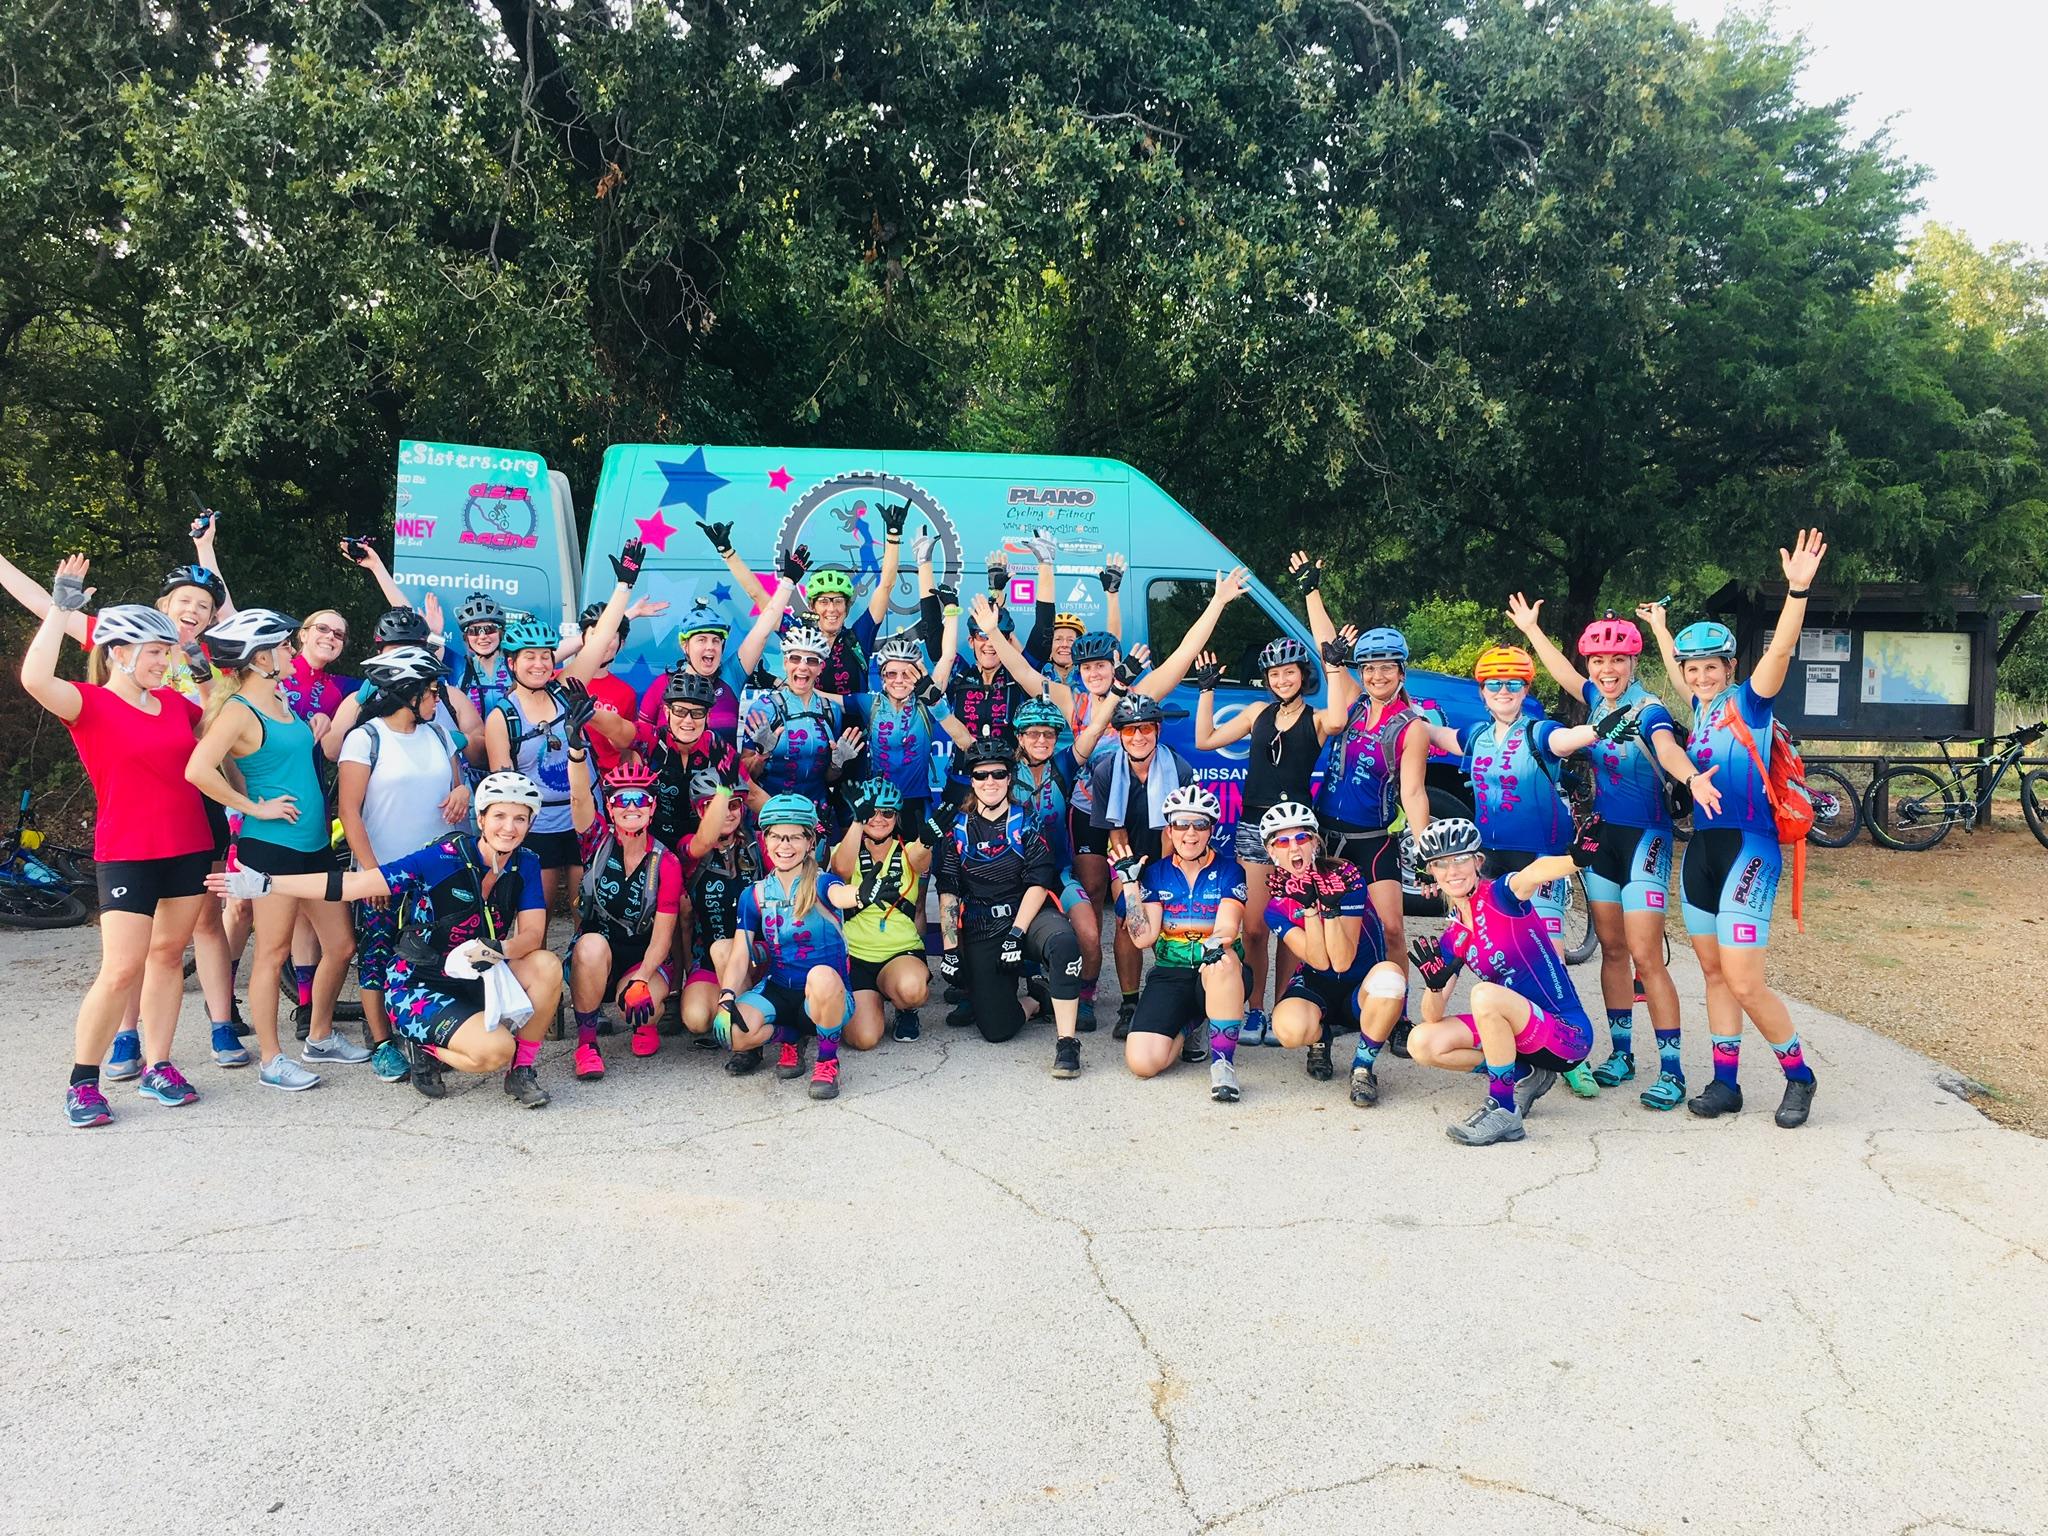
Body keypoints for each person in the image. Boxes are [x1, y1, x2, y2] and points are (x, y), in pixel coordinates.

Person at [216, 773, 564, 1108]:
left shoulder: (526, 863)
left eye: (520, 818)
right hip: (421, 980)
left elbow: (532, 935)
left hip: (479, 971)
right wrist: (270, 884)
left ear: (531, 823)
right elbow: (353, 886)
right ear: (481, 817)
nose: (509, 827)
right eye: (500, 816)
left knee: (546, 966)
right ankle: (425, 1049)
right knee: (494, 1051)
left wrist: (498, 949)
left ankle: (521, 1071)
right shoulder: (442, 858)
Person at [1639, 530, 1828, 1129]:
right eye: (1693, 670)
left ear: (1730, 668)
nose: (1698, 677)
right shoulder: (1697, 708)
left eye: (1710, 668)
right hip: (1703, 855)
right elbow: (1674, 671)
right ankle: (1726, 1084)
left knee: (1745, 981)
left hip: (1750, 850)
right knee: (1714, 973)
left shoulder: (1751, 702)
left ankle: (1799, 1075)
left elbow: (1780, 654)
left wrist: (1797, 590)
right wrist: (1662, 632)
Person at [23, 573, 215, 1126]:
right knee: (121, 968)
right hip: (128, 850)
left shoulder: (176, 707)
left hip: (187, 846)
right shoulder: (89, 704)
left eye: (167, 652)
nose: (163, 661)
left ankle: (158, 1065)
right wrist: (60, 610)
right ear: (120, 652)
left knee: (166, 958)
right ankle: (83, 1079)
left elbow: (219, 723)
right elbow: (34, 677)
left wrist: (208, 673)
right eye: (156, 652)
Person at [1508, 598, 1697, 1109]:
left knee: (1645, 956)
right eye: (1598, 661)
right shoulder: (1595, 701)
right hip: (1602, 836)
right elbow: (1564, 674)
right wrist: (1533, 630)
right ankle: (1621, 1054)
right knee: (1611, 950)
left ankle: (1673, 1070)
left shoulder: (1648, 708)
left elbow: (1668, 746)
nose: (1606, 670)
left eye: (1616, 660)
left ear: (1634, 663)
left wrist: (1691, 778)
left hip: (1645, 840)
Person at [184, 608, 367, 1089]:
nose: (292, 651)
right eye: (285, 645)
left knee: (341, 946)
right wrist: (252, 808)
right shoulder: (239, 710)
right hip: (272, 848)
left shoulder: (283, 701)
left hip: (312, 845)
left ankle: (321, 1037)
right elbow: (199, 769)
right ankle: (270, 1059)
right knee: (272, 953)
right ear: (261, 657)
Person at [1405, 817, 1600, 1146]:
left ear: (1477, 861)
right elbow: (1432, 1016)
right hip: (1518, 1036)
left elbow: (1532, 875)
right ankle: (1525, 1074)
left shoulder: (1501, 893)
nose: (1452, 871)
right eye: (1441, 864)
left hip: (1566, 1035)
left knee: (1484, 995)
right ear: (1433, 874)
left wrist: (1575, 860)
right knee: (1421, 1042)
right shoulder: (1455, 935)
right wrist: (1434, 986)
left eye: (1460, 859)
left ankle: (1502, 1109)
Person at [336, 646, 472, 1085]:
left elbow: (460, 784)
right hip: (384, 868)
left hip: (437, 872)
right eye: (431, 690)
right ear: (405, 692)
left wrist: (463, 793)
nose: (438, 698)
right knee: (376, 955)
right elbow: (349, 811)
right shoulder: (365, 738)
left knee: (434, 955)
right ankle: (381, 1043)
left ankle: (427, 1035)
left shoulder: (438, 735)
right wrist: (372, 873)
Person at [1193, 634, 1330, 1047]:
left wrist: (1336, 666)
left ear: (1302, 675)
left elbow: (1340, 716)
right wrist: (1206, 691)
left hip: (1297, 832)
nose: (1282, 679)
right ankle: (1254, 1010)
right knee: (1253, 928)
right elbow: (1205, 739)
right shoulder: (1257, 712)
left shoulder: (1319, 718)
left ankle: (1285, 1003)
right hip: (1254, 826)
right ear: (1267, 679)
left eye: (1289, 672)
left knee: (1294, 921)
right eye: (1275, 673)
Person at [1311, 619, 1435, 1055]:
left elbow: (1414, 792)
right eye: (1368, 668)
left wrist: (1427, 852)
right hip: (1325, 837)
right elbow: (1326, 644)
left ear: (1402, 672)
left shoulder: (1412, 726)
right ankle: (1328, 1008)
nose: (1376, 676)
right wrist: (1312, 590)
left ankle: (1397, 1016)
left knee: (1392, 929)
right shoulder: (1352, 702)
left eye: (1386, 668)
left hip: (1374, 841)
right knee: (1325, 923)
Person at [932, 735, 1087, 1075]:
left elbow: (1039, 880)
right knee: (997, 1030)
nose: (990, 782)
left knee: (1062, 942)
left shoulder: (1026, 821)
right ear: (971, 780)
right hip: (981, 924)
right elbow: (948, 890)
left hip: (1027, 917)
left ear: (1009, 777)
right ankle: (1035, 1000)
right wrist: (950, 951)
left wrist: (1015, 935)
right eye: (981, 775)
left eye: (998, 774)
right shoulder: (956, 828)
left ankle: (1067, 1043)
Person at [711, 795, 863, 1100]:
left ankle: (827, 1060)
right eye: (777, 836)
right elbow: (740, 954)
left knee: (820, 975)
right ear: (765, 839)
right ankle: (790, 1037)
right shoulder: (753, 894)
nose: (785, 845)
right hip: (779, 989)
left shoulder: (823, 882)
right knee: (735, 1034)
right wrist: (726, 999)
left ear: (810, 842)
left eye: (795, 836)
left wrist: (862, 895)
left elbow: (842, 895)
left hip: (824, 993)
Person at [1257, 800, 1407, 1106]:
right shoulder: (1276, 906)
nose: (1294, 848)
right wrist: (1311, 909)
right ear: (1271, 852)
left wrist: (1331, 907)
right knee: (1287, 1029)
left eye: (1301, 838)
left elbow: (1341, 959)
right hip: (1318, 983)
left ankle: (1362, 1067)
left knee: (1392, 979)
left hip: (1360, 981)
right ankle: (1319, 1036)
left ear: (1315, 842)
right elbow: (1319, 961)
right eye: (1282, 841)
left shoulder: (1344, 876)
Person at [1112, 784, 1251, 1103]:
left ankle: (1222, 1064)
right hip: (1170, 973)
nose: (1190, 833)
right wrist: (1131, 885)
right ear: (1170, 830)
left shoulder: (1230, 870)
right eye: (1181, 824)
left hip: (1216, 971)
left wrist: (1215, 945)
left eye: (1200, 824)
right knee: (1142, 1063)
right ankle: (1192, 1023)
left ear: (1211, 829)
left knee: (1221, 961)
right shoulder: (1156, 874)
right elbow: (1143, 937)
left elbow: (1228, 924)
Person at [566, 761, 687, 1080]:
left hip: (643, 953)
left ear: (652, 807)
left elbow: (662, 937)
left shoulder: (667, 862)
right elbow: (579, 798)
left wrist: (641, 979)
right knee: (590, 946)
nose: (631, 806)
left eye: (640, 799)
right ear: (609, 806)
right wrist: (577, 754)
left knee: (639, 1009)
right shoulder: (595, 842)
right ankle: (587, 1044)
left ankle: (643, 1025)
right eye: (622, 799)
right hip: (598, 950)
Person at [483, 614, 599, 908]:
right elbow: (505, 789)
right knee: (537, 916)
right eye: (529, 657)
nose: (539, 664)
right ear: (511, 663)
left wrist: (625, 586)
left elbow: (599, 642)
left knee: (584, 912)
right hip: (539, 827)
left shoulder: (563, 691)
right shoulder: (502, 717)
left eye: (546, 656)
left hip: (583, 818)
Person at [737, 587, 862, 816]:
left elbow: (828, 778)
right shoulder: (765, 708)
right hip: (772, 814)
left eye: (811, 661)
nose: (803, 666)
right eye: (795, 658)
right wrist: (762, 754)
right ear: (785, 663)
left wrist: (837, 765)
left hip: (816, 815)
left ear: (821, 668)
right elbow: (747, 777)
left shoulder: (831, 710)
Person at [830, 779, 935, 1046]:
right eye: (870, 812)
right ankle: (869, 1000)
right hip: (856, 954)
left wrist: (928, 841)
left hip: (900, 951)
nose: (878, 819)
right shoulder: (846, 850)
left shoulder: (907, 850)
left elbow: (920, 862)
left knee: (911, 990)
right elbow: (841, 870)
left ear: (897, 817)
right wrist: (856, 821)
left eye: (887, 813)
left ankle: (905, 1010)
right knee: (863, 1039)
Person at [675, 776, 761, 1070]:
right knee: (697, 1019)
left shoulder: (759, 845)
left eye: (733, 804)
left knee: (727, 949)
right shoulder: (690, 848)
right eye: (713, 806)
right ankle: (743, 1009)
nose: (726, 812)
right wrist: (687, 972)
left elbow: (778, 813)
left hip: (759, 954)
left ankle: (750, 1040)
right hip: (709, 959)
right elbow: (703, 841)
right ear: (700, 812)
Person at [635, 599, 745, 743]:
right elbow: (641, 736)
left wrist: (785, 583)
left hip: (720, 765)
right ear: (684, 645)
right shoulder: (662, 684)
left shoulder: (730, 678)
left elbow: (762, 632)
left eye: (716, 640)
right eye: (701, 640)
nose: (710, 646)